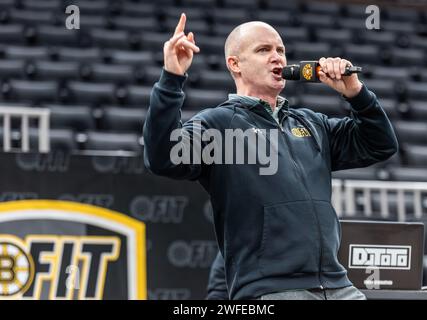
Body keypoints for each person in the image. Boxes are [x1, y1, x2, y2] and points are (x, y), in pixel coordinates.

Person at [143, 13, 398, 300]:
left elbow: (380, 144)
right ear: (235, 64)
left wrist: (356, 94)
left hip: (338, 286)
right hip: (272, 290)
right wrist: (172, 79)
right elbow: (162, 157)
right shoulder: (218, 125)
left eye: (281, 50)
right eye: (263, 50)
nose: (277, 57)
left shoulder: (311, 123)